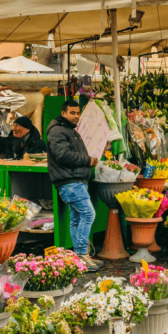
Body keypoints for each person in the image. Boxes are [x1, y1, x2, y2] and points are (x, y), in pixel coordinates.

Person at [46, 100, 101, 271]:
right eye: (72, 113)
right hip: (70, 182)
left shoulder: (69, 131)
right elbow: (63, 155)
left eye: (78, 113)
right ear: (63, 113)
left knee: (76, 218)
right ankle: (82, 254)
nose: (76, 116)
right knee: (88, 214)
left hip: (76, 180)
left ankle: (79, 257)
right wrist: (88, 160)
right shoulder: (57, 131)